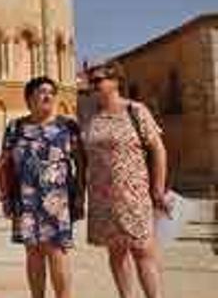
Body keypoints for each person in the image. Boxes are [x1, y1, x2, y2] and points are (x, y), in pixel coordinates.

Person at [83, 63, 168, 298]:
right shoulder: (91, 117)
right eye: (91, 82)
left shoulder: (136, 110)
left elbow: (158, 150)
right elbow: (83, 158)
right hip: (103, 198)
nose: (94, 86)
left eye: (98, 80)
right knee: (117, 254)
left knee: (143, 252)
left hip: (134, 194)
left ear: (116, 81)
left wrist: (158, 188)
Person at [0, 76, 85, 298]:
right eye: (41, 92)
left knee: (57, 252)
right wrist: (5, 196)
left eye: (50, 93)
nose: (47, 96)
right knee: (33, 253)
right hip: (25, 200)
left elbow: (81, 162)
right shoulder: (15, 127)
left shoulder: (67, 126)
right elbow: (5, 163)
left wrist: (80, 195)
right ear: (29, 98)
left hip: (57, 200)